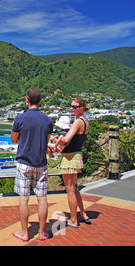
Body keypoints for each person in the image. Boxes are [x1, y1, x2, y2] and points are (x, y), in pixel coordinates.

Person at [10, 89, 53, 242]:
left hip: (24, 162)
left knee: (23, 198)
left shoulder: (20, 118)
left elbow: (14, 139)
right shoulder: (47, 120)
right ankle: (41, 233)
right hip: (41, 162)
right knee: (42, 198)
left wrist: (25, 141)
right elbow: (46, 140)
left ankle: (24, 232)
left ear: (26, 100)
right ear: (40, 101)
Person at [55, 97, 91, 228]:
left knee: (69, 189)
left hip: (70, 157)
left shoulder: (77, 122)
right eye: (71, 106)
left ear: (82, 108)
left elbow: (66, 140)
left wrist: (58, 140)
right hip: (76, 155)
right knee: (74, 189)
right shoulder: (85, 121)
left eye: (75, 107)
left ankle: (73, 219)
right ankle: (83, 213)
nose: (72, 109)